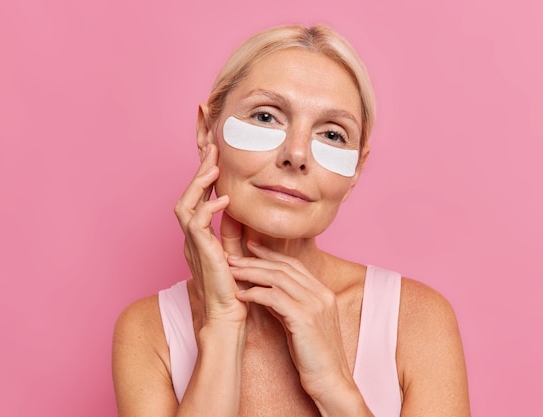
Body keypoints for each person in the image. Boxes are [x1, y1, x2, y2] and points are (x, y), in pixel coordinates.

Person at [112, 24, 471, 417]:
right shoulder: (148, 331)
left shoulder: (416, 319)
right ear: (206, 132)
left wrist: (335, 387)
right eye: (266, 116)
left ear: (355, 171)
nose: (296, 153)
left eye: (332, 135)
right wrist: (222, 325)